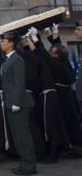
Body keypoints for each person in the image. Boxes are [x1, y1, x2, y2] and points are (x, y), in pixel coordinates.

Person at [25, 29, 69, 164]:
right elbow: (39, 52)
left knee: (51, 126)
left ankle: (54, 153)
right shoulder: (54, 63)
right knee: (50, 125)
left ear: (56, 55)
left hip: (48, 96)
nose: (49, 53)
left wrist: (32, 38)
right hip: (48, 96)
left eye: (51, 53)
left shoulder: (53, 63)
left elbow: (40, 52)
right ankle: (55, 150)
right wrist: (33, 38)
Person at [0, 31, 37, 175]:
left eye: (4, 41)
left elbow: (20, 83)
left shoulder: (17, 60)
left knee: (23, 136)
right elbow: (7, 83)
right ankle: (24, 162)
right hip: (11, 102)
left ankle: (30, 166)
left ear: (11, 43)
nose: (2, 43)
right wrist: (6, 100)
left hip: (19, 104)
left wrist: (16, 102)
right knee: (17, 136)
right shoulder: (7, 60)